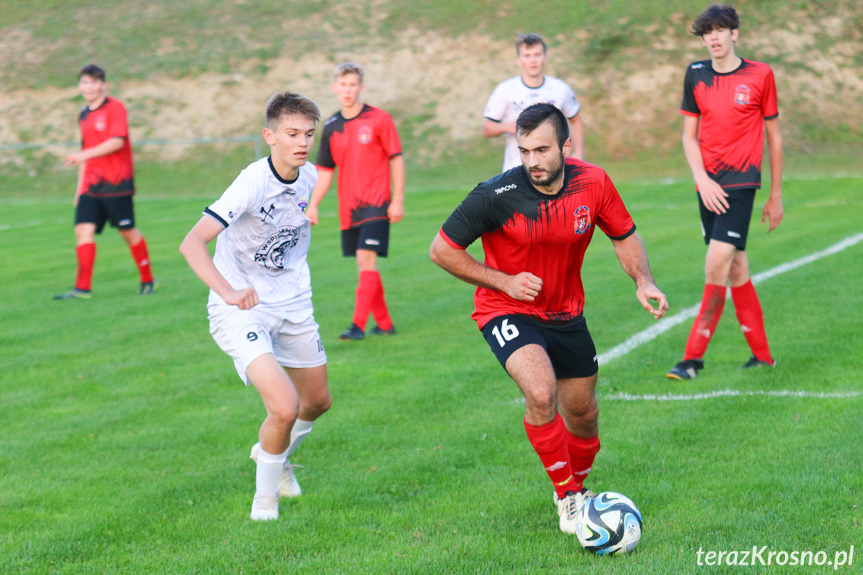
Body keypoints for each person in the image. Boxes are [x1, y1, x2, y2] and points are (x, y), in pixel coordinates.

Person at [430, 103, 668, 534]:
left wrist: (643, 281)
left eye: (541, 150)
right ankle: (567, 497)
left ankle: (577, 489)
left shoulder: (593, 183)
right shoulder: (494, 195)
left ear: (566, 145)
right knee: (541, 395)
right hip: (506, 308)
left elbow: (624, 236)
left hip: (566, 313)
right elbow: (442, 250)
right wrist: (502, 281)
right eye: (524, 151)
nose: (532, 162)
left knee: (584, 414)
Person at [179, 92, 332, 521]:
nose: (301, 142)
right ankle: (265, 501)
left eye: (308, 134)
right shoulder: (251, 182)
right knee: (283, 407)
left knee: (317, 402)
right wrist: (227, 291)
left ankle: (274, 453)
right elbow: (191, 242)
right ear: (270, 136)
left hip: (294, 302)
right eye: (291, 134)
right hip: (242, 309)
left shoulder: (310, 177)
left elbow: (308, 204)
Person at [667, 3, 783, 380]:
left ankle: (692, 358)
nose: (713, 38)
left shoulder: (760, 74)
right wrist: (701, 179)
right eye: (706, 33)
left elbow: (774, 137)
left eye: (720, 30)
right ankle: (763, 357)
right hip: (708, 184)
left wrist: (775, 195)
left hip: (742, 182)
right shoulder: (695, 74)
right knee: (735, 267)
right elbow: (688, 136)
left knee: (715, 263)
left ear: (734, 33)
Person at [307, 62, 405, 341]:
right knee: (365, 265)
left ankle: (357, 326)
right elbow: (324, 171)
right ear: (334, 88)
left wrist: (397, 199)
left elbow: (396, 158)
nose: (348, 90)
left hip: (377, 202)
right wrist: (313, 204)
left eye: (353, 85)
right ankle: (385, 324)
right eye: (343, 85)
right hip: (348, 208)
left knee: (365, 258)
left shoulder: (379, 119)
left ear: (361, 87)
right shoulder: (331, 126)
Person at [55, 64, 154, 300]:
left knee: (127, 231)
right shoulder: (83, 114)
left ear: (103, 85)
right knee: (83, 230)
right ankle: (82, 288)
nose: (89, 87)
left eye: (93, 82)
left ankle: (147, 279)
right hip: (91, 184)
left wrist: (83, 156)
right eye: (84, 82)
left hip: (117, 183)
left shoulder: (115, 108)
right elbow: (85, 150)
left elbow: (117, 142)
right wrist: (80, 189)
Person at [483, 33, 584, 172]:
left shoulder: (560, 89)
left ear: (545, 58)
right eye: (527, 56)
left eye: (537, 55)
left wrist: (578, 152)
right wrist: (506, 127)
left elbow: (575, 119)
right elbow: (487, 129)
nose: (533, 60)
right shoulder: (506, 90)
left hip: (553, 171)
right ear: (519, 60)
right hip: (517, 170)